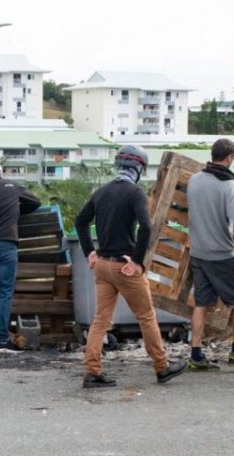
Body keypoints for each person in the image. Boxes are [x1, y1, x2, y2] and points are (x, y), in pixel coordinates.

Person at [75, 145, 185, 388]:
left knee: (100, 319)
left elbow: (80, 222)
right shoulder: (135, 193)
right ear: (139, 167)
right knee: (146, 316)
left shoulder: (101, 192)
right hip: (124, 267)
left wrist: (89, 253)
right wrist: (137, 262)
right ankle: (162, 367)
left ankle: (92, 371)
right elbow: (146, 227)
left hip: (102, 265)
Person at [186, 138, 234, 371]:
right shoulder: (227, 185)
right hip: (222, 254)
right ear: (229, 158)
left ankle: (196, 355)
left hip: (198, 253)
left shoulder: (194, 180)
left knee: (201, 303)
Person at [0, 159, 41, 354]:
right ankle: (2, 341)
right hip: (5, 245)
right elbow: (36, 202)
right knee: (4, 293)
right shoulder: (12, 187)